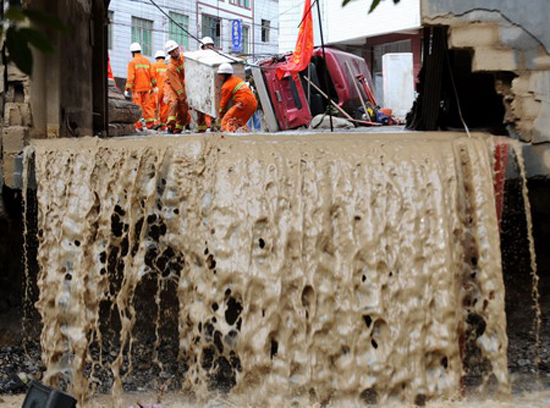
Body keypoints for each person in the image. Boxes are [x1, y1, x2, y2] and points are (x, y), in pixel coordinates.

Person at [217, 63, 257, 133]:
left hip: (243, 103)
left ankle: (229, 139)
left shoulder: (226, 86)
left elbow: (223, 103)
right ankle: (243, 137)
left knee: (226, 121)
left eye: (220, 75)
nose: (219, 77)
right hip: (253, 103)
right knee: (239, 123)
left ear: (225, 75)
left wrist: (220, 114)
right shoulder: (238, 80)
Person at [125, 42, 156, 131]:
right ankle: (150, 124)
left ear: (132, 52)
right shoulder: (147, 61)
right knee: (147, 106)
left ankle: (138, 126)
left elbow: (131, 76)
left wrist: (127, 88)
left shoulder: (132, 62)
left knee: (137, 106)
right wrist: (154, 85)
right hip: (146, 88)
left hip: (137, 89)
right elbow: (152, 75)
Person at [164, 40, 190, 134]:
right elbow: (176, 84)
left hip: (182, 84)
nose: (175, 52)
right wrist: (182, 96)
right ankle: (171, 126)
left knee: (184, 108)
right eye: (172, 51)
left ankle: (178, 128)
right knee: (174, 103)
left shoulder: (185, 58)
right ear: (170, 53)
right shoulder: (171, 67)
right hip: (171, 86)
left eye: (176, 50)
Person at [195, 36, 215, 132]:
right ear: (202, 47)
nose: (209, 48)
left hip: (212, 87)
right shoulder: (198, 58)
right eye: (207, 46)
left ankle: (212, 127)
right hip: (201, 86)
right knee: (201, 109)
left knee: (213, 108)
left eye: (211, 46)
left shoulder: (216, 57)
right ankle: (202, 129)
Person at [151, 50, 168, 130]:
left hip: (156, 89)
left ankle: (155, 123)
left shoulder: (154, 66)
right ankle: (163, 125)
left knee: (154, 106)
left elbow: (151, 78)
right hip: (166, 90)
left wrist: (151, 88)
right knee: (164, 108)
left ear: (156, 58)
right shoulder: (167, 65)